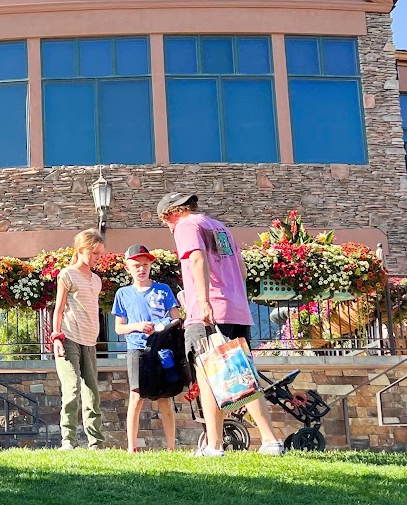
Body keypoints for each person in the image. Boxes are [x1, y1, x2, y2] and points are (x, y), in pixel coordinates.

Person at [158, 192, 283, 456]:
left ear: (173, 213)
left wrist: (202, 301)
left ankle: (235, 444)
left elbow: (197, 259)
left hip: (210, 311)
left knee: (212, 377)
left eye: (165, 222)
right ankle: (230, 444)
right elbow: (242, 270)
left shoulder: (186, 225)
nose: (168, 228)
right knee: (239, 374)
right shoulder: (220, 228)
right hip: (237, 310)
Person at [111, 244, 181, 452]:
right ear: (128, 268)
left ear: (150, 266)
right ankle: (131, 447)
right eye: (136, 265)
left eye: (145, 265)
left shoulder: (163, 290)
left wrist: (161, 327)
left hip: (162, 350)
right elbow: (119, 328)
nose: (141, 269)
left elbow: (176, 319)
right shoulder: (123, 293)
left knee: (165, 399)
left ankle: (171, 448)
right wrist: (137, 326)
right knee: (136, 396)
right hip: (137, 350)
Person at [49, 229, 106, 450]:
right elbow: (59, 309)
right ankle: (68, 441)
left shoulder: (97, 280)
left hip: (90, 341)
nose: (98, 257)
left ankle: (96, 443)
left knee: (92, 393)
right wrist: (57, 338)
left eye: (100, 253)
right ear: (81, 250)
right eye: (94, 253)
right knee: (72, 389)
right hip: (69, 338)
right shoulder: (67, 275)